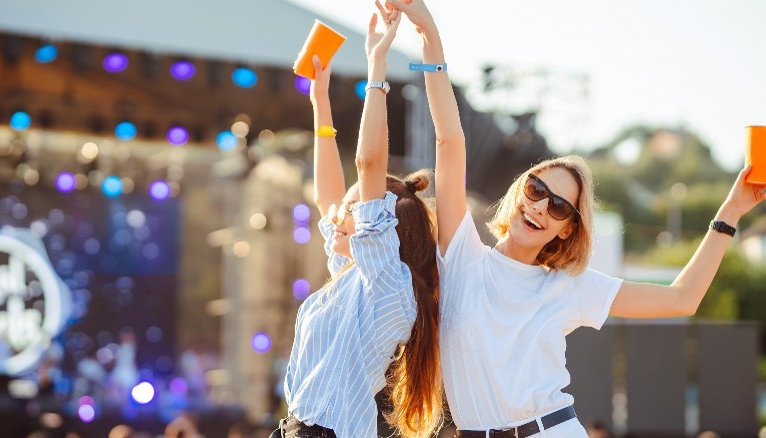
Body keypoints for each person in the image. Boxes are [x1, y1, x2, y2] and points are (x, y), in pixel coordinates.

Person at [387, 0, 766, 436]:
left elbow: (682, 299)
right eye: (535, 189)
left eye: (559, 207)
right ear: (518, 192)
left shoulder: (566, 287)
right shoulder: (463, 256)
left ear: (568, 228)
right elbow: (450, 140)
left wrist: (731, 211)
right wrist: (430, 38)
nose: (540, 206)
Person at [273, 6, 442, 438]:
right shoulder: (354, 279)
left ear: (381, 230)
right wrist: (321, 102)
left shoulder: (387, 285)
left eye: (357, 209)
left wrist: (376, 69)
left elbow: (367, 164)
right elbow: (329, 198)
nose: (340, 216)